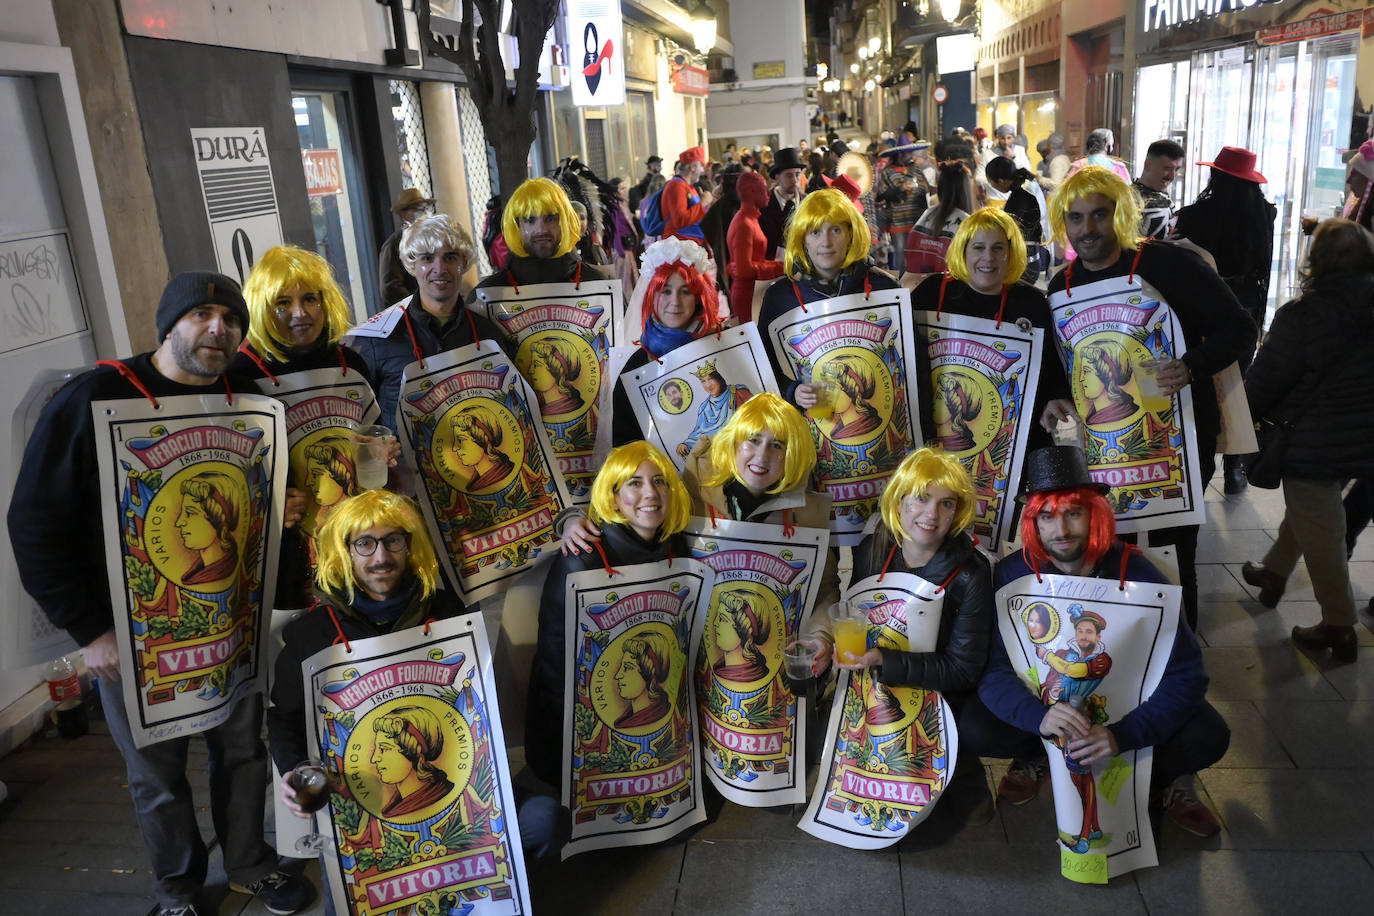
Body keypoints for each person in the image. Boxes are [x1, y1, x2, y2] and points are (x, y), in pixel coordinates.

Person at [9, 272, 312, 916]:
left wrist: (281, 505)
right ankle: (176, 886)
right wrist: (88, 630)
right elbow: (34, 521)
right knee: (156, 774)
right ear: (169, 324)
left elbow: (261, 506)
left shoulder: (249, 394)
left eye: (231, 319)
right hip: (132, 634)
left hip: (231, 622)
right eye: (201, 315)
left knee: (242, 750)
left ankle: (251, 864)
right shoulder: (97, 395)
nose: (217, 329)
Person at [964, 445, 1229, 838]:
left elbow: (1187, 675)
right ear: (1032, 524)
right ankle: (1036, 753)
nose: (1061, 530)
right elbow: (994, 667)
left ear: (1095, 515)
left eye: (1073, 513)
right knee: (974, 725)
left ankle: (1167, 778)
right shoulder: (1011, 575)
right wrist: (1037, 720)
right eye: (1047, 517)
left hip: (1123, 714)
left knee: (1209, 735)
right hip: (1048, 709)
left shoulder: (1141, 575)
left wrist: (1123, 735)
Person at [1042, 167, 1258, 633]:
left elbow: (1240, 328)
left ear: (1118, 214)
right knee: (1108, 551)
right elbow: (1066, 361)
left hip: (1177, 444)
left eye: (1099, 215)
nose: (1088, 229)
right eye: (1076, 218)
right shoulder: (1061, 285)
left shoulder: (1169, 264)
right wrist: (1058, 396)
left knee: (1172, 552)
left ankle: (1180, 659)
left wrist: (1193, 364)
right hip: (1102, 449)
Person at [268, 490, 466, 844]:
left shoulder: (448, 614)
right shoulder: (314, 633)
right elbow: (285, 715)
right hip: (357, 809)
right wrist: (295, 769)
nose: (381, 557)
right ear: (344, 551)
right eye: (365, 544)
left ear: (410, 545)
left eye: (393, 541)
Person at [826, 448, 994, 820]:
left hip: (939, 690)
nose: (932, 514)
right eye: (921, 498)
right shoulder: (874, 548)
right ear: (898, 501)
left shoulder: (972, 573)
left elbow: (964, 670)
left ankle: (967, 784)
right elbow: (855, 613)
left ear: (958, 511)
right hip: (882, 676)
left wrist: (886, 661)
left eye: (946, 503)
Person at [1237, 219, 1374, 663]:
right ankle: (1275, 572)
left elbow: (1266, 380)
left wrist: (1239, 422)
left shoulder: (1302, 315)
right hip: (1365, 435)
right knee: (1315, 513)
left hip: (1314, 441)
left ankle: (1339, 625)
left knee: (1323, 529)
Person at [524, 442, 691, 794]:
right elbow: (555, 670)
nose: (650, 492)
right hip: (570, 744)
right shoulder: (581, 558)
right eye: (634, 483)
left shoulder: (678, 548)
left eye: (659, 481)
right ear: (613, 498)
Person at [233, 244, 377, 607]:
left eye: (310, 299)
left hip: (356, 546)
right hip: (284, 565)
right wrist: (267, 497)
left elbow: (370, 438)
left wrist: (380, 455)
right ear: (262, 307)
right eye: (282, 303)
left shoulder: (351, 364)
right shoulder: (241, 375)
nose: (300, 313)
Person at [911, 207, 1068, 452]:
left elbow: (1051, 371)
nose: (988, 258)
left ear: (1011, 253)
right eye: (978, 248)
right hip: (936, 445)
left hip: (1014, 450)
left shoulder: (1032, 304)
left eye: (998, 248)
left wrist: (1056, 398)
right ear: (963, 251)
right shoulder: (932, 293)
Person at [1173, 146, 1277, 494]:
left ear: (1215, 175)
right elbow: (1264, 271)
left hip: (1202, 308)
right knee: (1237, 383)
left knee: (1201, 381)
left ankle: (1199, 461)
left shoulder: (1194, 215)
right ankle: (1235, 467)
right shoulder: (1266, 214)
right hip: (1245, 308)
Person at [351, 213, 505, 432]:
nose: (440, 268)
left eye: (450, 257)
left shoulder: (489, 334)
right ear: (412, 265)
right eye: (427, 258)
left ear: (464, 263)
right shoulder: (379, 340)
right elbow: (362, 427)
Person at [758, 188, 901, 409]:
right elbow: (763, 367)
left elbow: (911, 365)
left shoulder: (885, 288)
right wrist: (792, 391)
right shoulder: (779, 297)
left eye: (835, 230)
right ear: (802, 239)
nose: (826, 242)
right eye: (815, 232)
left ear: (851, 234)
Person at [611, 238, 724, 445]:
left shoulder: (724, 346)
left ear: (698, 298)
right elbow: (622, 440)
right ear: (652, 296)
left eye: (685, 291)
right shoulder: (637, 366)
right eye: (666, 291)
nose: (675, 302)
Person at [727, 169, 784, 320]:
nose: (768, 193)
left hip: (753, 290)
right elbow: (744, 269)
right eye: (764, 189)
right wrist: (778, 267)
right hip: (747, 294)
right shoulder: (744, 223)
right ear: (752, 191)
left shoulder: (749, 219)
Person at [906, 158, 975, 275]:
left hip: (919, 284)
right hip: (952, 288)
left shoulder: (928, 214)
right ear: (966, 190)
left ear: (941, 188)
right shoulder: (967, 222)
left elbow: (911, 252)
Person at [982, 157, 1044, 282]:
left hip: (1025, 263)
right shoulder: (1026, 184)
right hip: (1033, 256)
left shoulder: (1020, 195)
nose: (992, 187)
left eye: (992, 184)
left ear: (1001, 181)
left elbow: (1013, 228)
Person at [377, 188, 435, 306]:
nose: (422, 212)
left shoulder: (431, 239)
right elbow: (390, 288)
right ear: (404, 214)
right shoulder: (394, 244)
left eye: (424, 208)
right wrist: (419, 307)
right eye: (416, 208)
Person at [661, 145, 715, 245]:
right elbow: (680, 220)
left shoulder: (687, 187)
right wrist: (703, 202)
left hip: (691, 243)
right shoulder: (676, 186)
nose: (703, 170)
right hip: (680, 247)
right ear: (693, 167)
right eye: (701, 166)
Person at [1133, 139, 1185, 240]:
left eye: (1177, 169)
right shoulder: (1128, 201)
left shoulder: (1163, 196)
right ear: (1147, 165)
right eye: (1166, 168)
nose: (1172, 176)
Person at [760, 146, 806, 256]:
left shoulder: (806, 202)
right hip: (774, 268)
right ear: (777, 177)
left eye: (797, 174)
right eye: (789, 176)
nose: (795, 180)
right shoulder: (764, 205)